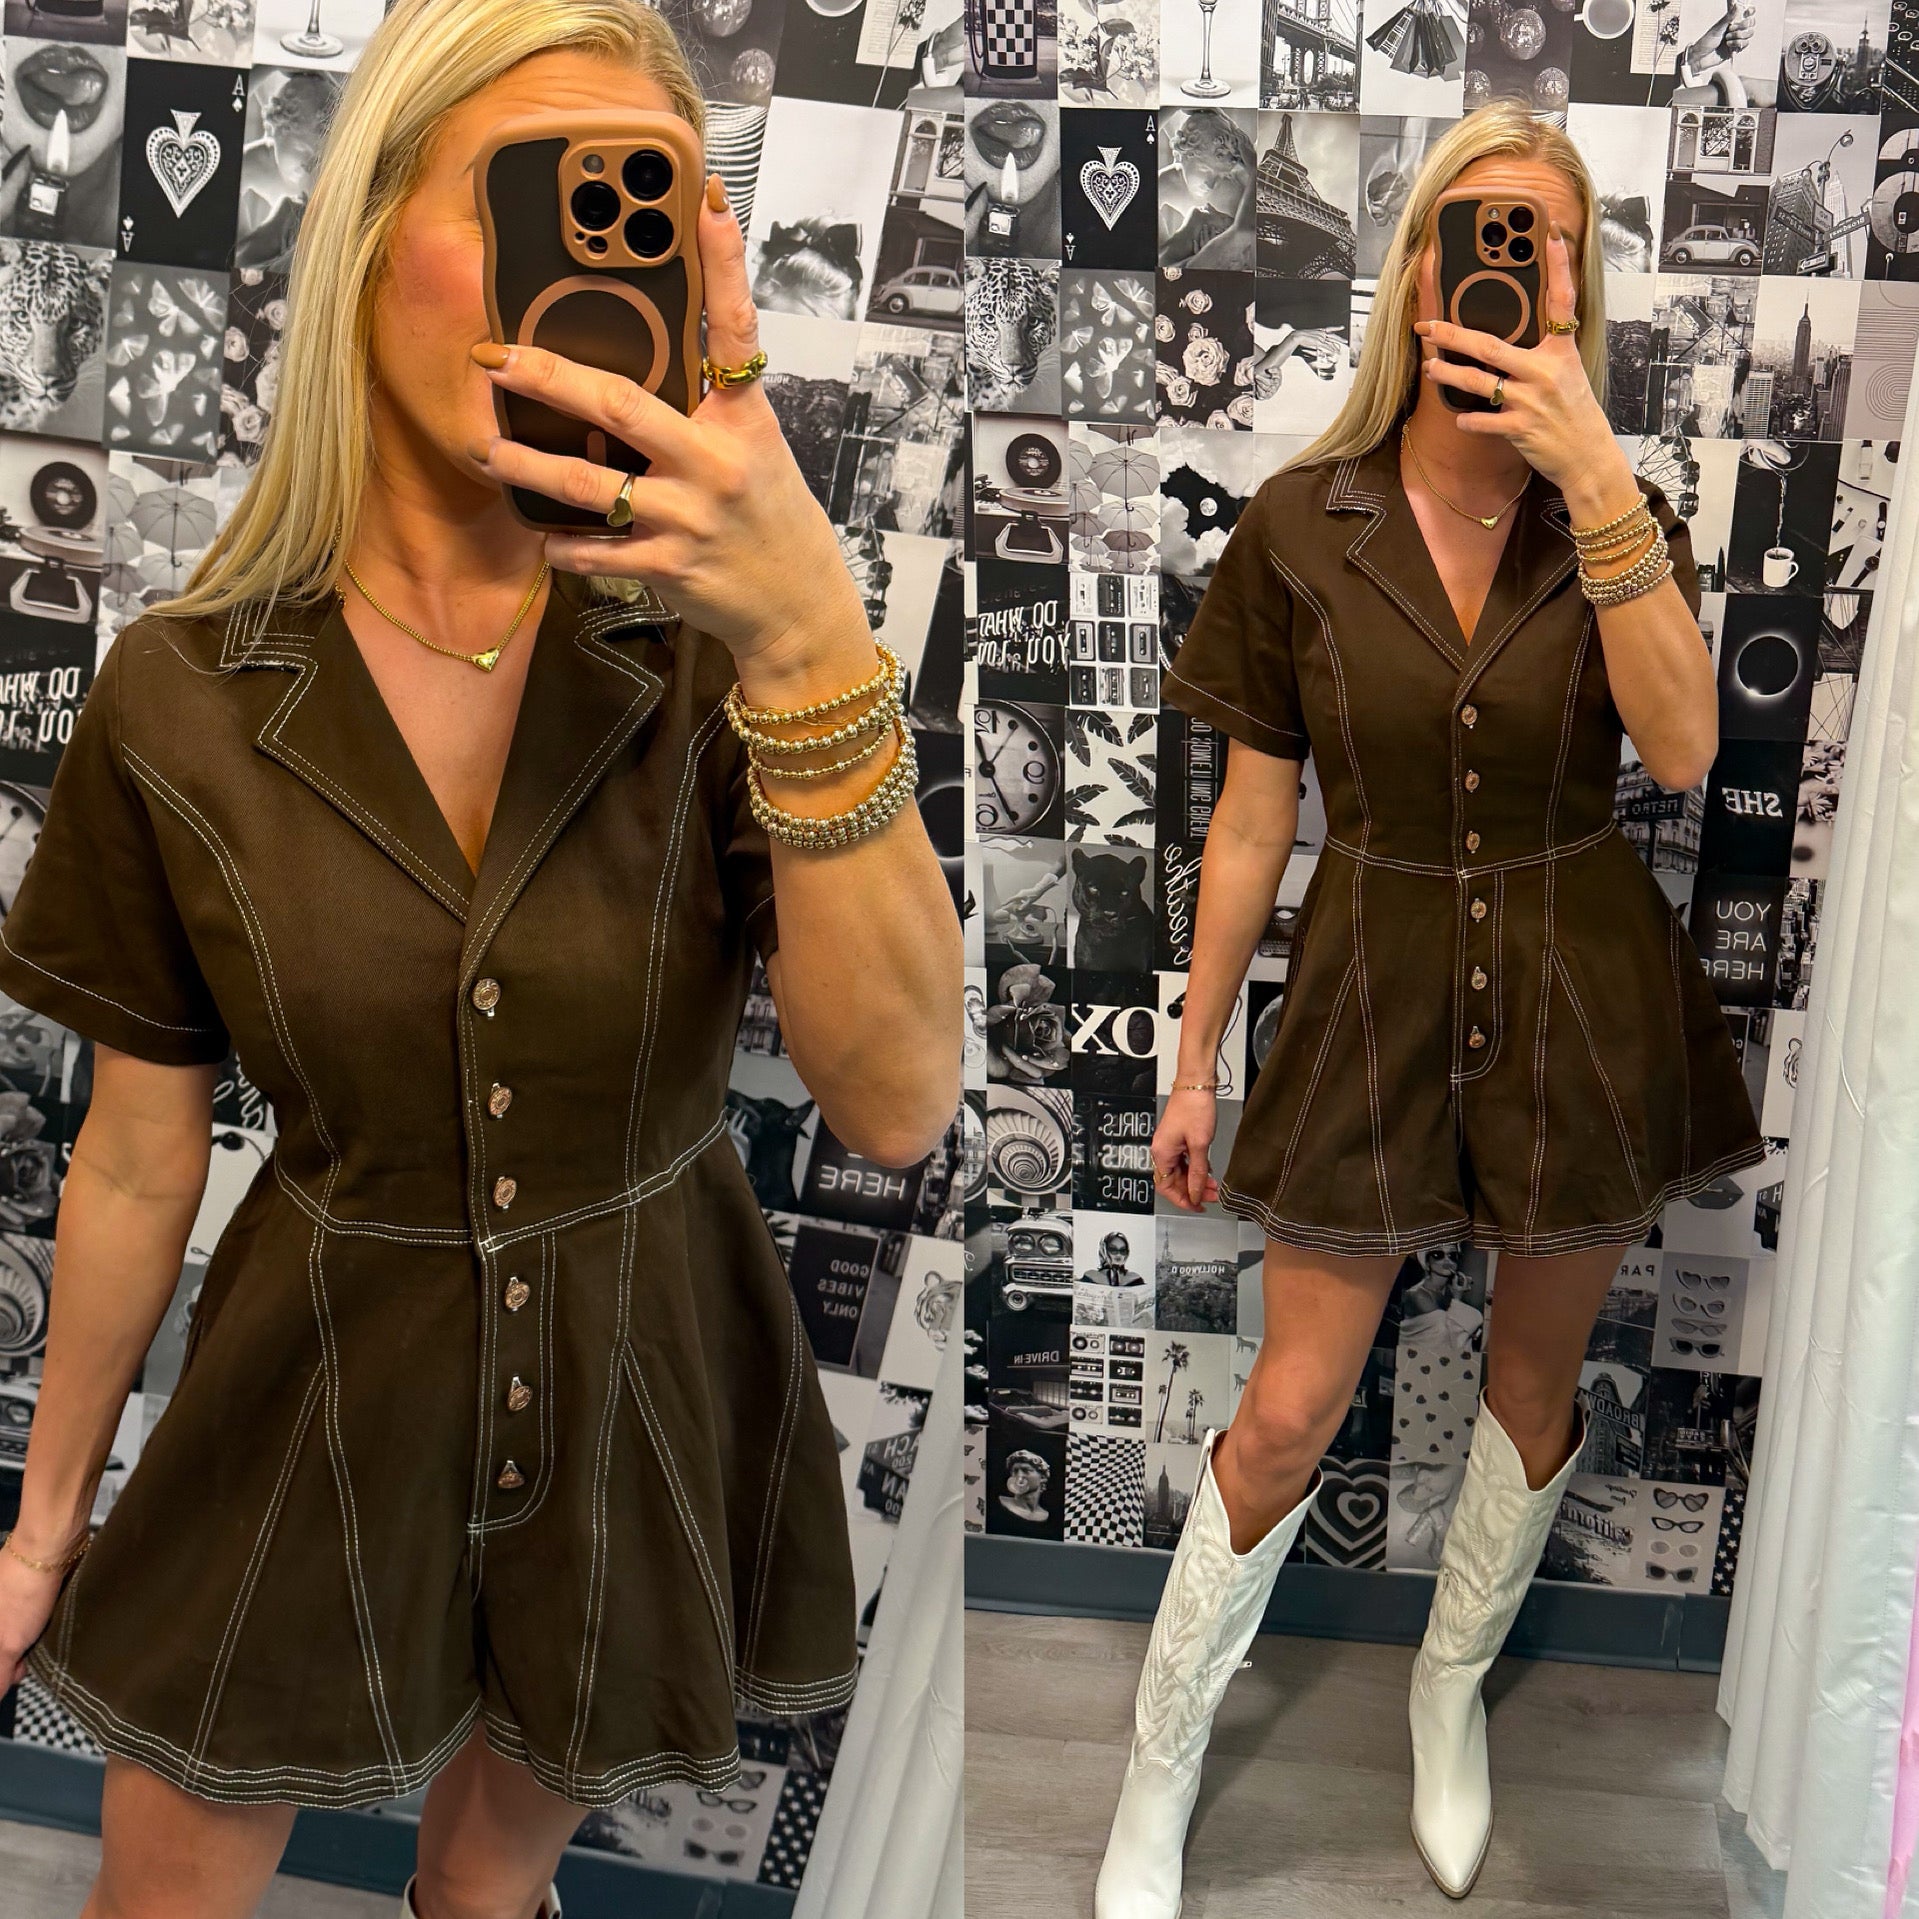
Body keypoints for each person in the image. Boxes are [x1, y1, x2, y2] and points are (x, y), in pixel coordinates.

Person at [0, 4, 962, 1917]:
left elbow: (897, 1103)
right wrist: (42, 1528)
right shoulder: (181, 697)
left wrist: (808, 642)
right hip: (315, 1381)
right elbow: (132, 1155)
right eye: (532, 202)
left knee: (488, 1890)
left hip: (640, 1373)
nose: (574, 282)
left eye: (641, 216)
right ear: (369, 241)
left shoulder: (714, 655)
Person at [1094, 99, 1764, 1916]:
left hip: (1579, 992)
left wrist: (1599, 480)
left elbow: (1683, 749)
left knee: (1532, 1385)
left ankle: (1447, 1692)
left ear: (1578, 286)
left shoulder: (1615, 515)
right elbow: (1253, 821)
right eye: (1480, 232)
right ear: (1416, 276)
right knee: (1290, 1407)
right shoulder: (1298, 527)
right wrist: (1194, 1055)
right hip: (1368, 987)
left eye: (1548, 242)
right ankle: (1160, 1767)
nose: (1513, 265)